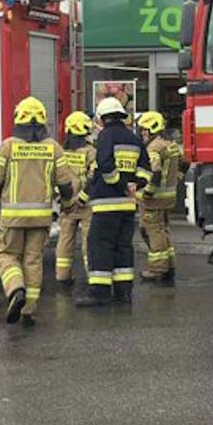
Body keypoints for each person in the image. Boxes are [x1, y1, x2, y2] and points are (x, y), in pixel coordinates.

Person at [0, 96, 75, 327]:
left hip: (12, 218)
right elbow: (66, 185)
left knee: (6, 255)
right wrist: (67, 204)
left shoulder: (8, 146)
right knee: (33, 260)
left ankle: (15, 289)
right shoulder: (54, 148)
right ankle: (28, 310)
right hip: (41, 218)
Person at [77, 95, 149, 306]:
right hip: (128, 205)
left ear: (102, 118)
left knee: (100, 246)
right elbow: (146, 169)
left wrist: (120, 184)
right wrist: (136, 184)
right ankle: (123, 293)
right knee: (123, 247)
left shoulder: (106, 136)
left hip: (106, 204)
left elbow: (105, 165)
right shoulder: (134, 138)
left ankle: (99, 294)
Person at [136, 110, 187, 283]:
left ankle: (157, 269)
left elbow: (155, 173)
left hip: (155, 199)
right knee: (164, 230)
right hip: (169, 197)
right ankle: (169, 264)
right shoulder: (171, 144)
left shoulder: (153, 148)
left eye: (144, 130)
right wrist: (176, 180)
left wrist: (147, 193)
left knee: (153, 232)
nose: (142, 133)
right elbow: (185, 163)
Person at [54, 110, 96, 286]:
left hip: (67, 204)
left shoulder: (61, 152)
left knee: (65, 241)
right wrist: (83, 198)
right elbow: (94, 176)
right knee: (89, 243)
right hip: (85, 205)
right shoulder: (90, 152)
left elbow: (54, 177)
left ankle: (63, 275)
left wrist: (62, 199)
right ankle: (91, 276)